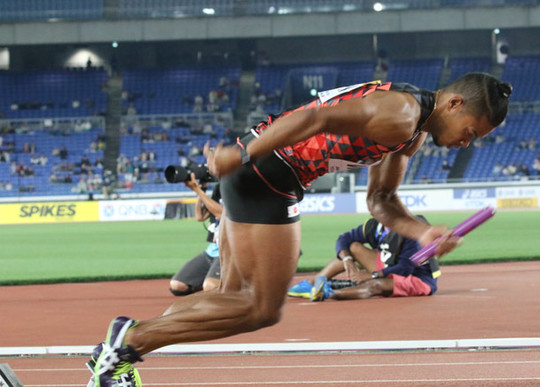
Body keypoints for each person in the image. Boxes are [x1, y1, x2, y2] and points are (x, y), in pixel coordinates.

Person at [87, 73, 511, 387]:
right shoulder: (401, 113)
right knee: (261, 308)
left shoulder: (410, 132)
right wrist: (242, 153)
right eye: (471, 132)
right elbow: (316, 117)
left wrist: (421, 234)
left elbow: (380, 201)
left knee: (229, 299)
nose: (466, 143)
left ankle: (118, 352)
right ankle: (126, 345)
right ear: (454, 104)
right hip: (269, 174)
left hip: (263, 174)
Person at [287, 215, 442, 301]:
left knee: (376, 285)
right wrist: (347, 260)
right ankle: (313, 283)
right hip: (390, 265)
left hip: (417, 278)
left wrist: (371, 275)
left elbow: (405, 268)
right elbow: (344, 239)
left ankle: (329, 292)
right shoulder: (375, 225)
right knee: (353, 247)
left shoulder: (410, 231)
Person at [169, 175, 223, 296]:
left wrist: (197, 190)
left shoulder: (235, 190)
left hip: (227, 253)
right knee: (177, 286)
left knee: (210, 286)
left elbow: (222, 213)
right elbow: (200, 217)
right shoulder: (219, 190)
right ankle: (210, 286)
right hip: (211, 251)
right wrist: (201, 190)